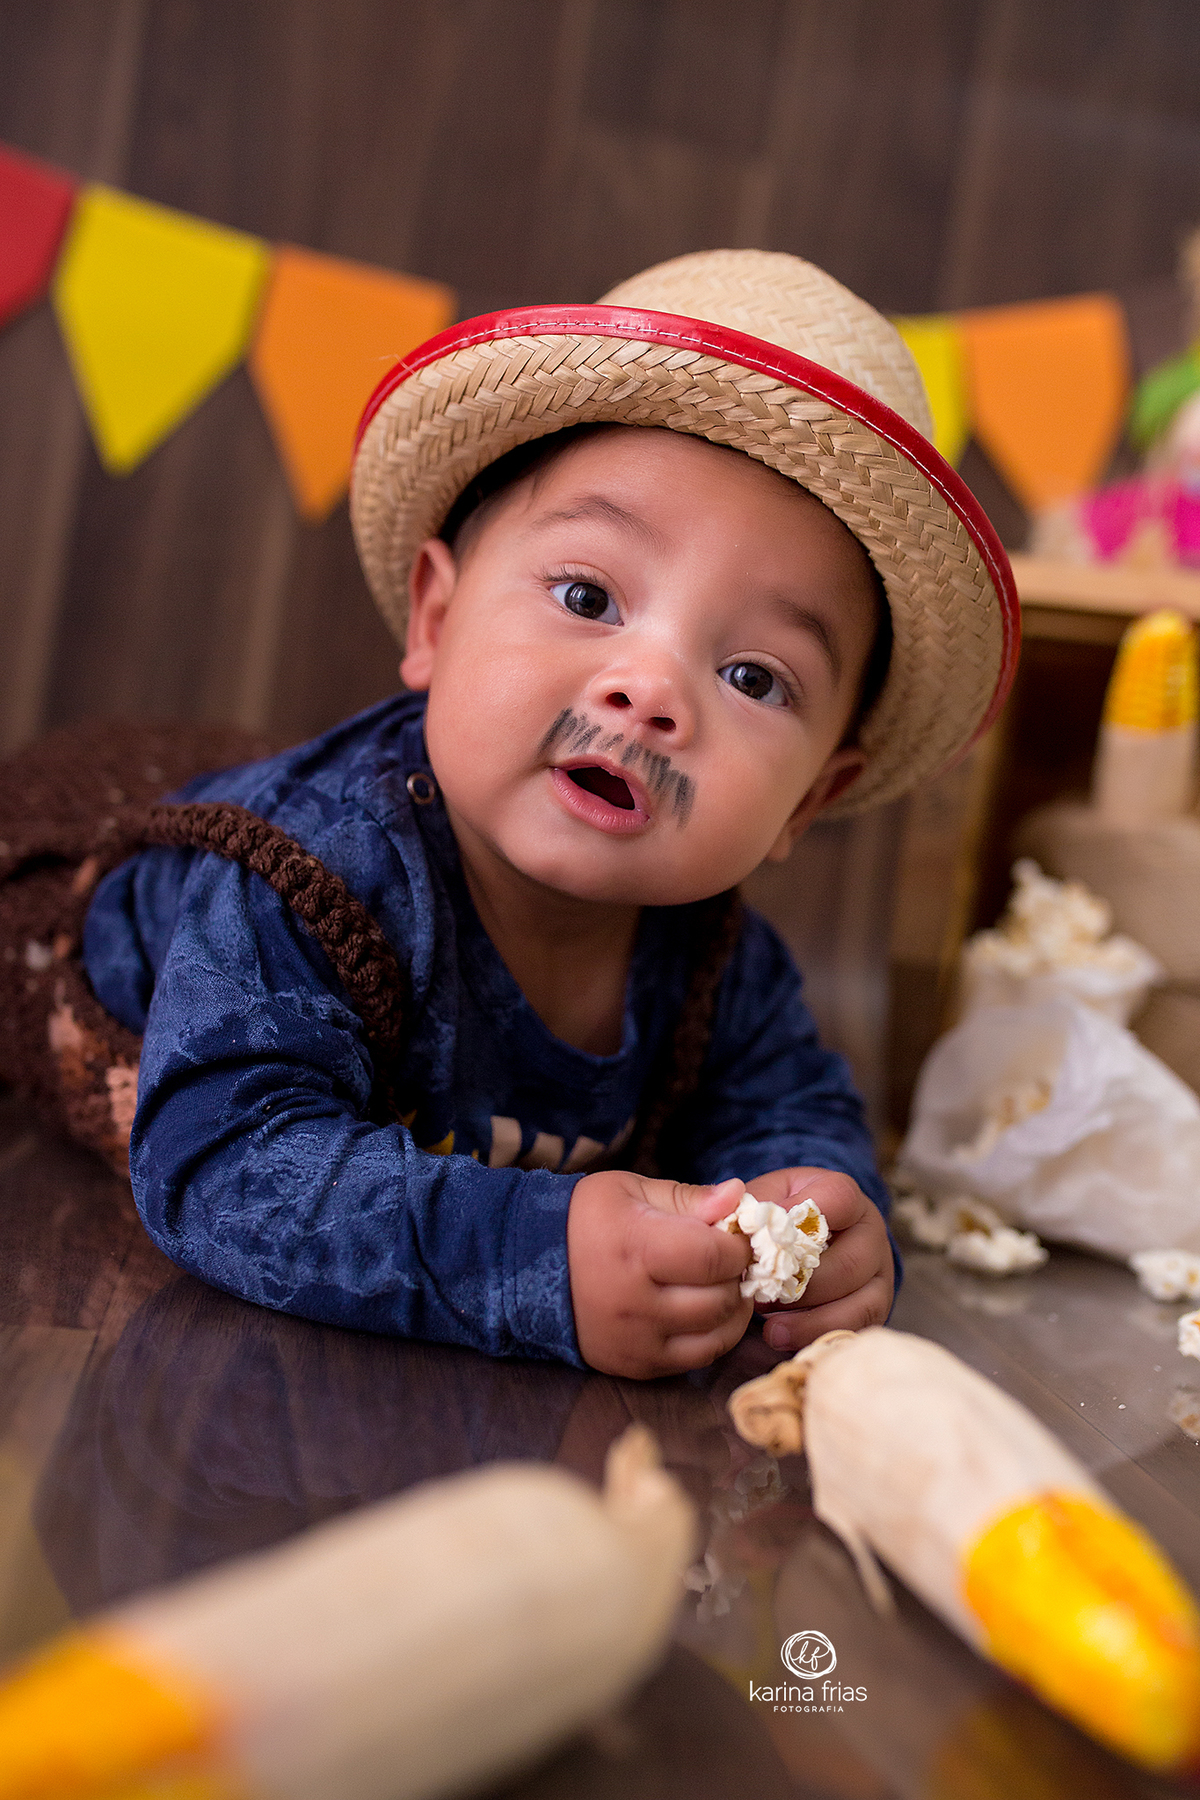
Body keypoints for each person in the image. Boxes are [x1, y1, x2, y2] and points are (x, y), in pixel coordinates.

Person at [79, 249, 1018, 1378]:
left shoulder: (721, 968)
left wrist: (821, 1218)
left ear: (809, 799)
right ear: (436, 620)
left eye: (754, 677)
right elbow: (218, 1166)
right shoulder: (308, 873)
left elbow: (787, 1111)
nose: (650, 690)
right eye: (588, 596)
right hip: (75, 909)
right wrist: (534, 1254)